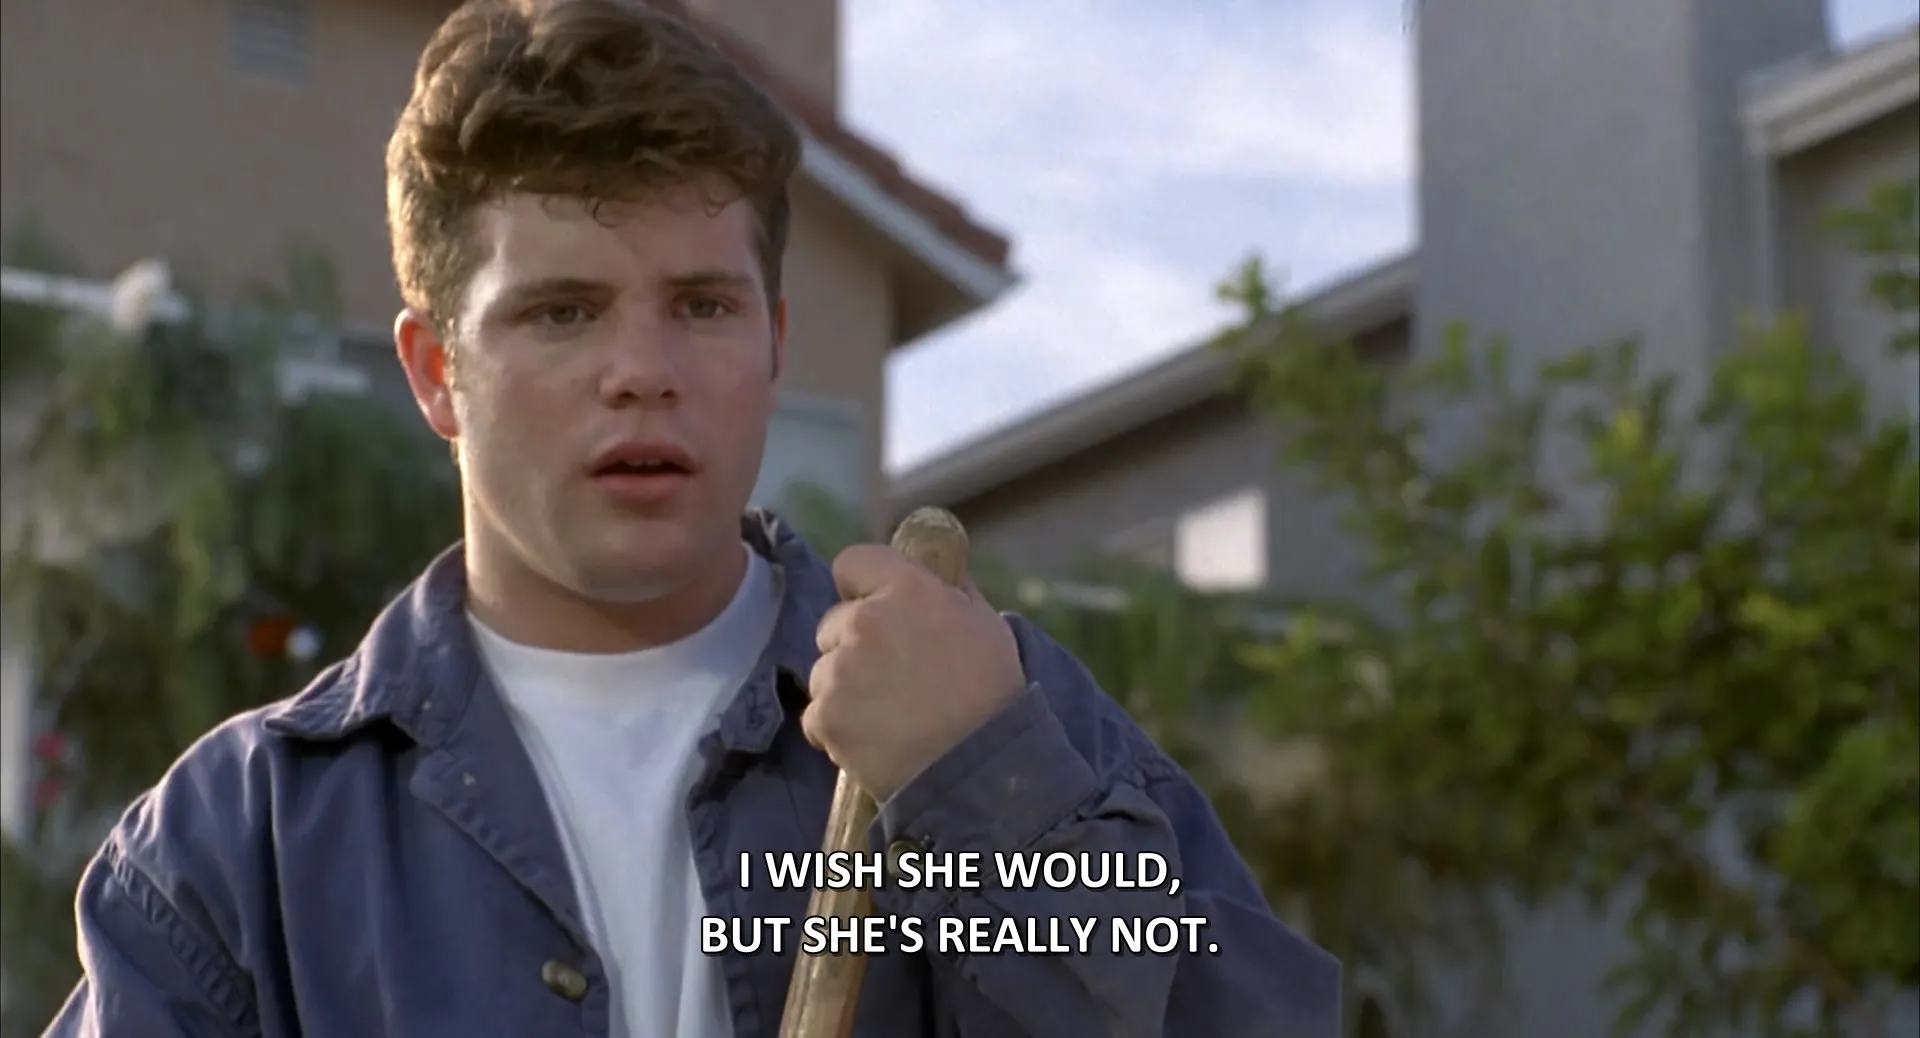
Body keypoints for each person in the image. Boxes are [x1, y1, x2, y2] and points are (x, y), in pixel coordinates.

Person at [45, 1, 1339, 1035]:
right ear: (437, 372)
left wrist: (986, 794)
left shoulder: (1006, 714)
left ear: (775, 343)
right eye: (563, 312)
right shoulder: (243, 844)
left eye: (703, 306)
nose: (643, 371)